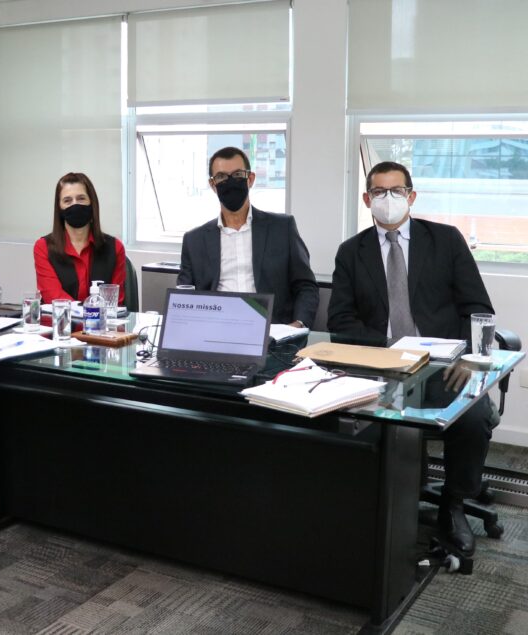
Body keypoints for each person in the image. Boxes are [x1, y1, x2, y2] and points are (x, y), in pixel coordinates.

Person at [327, 160, 495, 555]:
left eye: (397, 191)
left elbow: (477, 308)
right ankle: (371, 509)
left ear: (411, 196)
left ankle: (453, 505)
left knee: (472, 418)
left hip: (443, 366)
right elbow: (340, 320)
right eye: (380, 192)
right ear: (367, 200)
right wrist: (388, 348)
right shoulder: (351, 252)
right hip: (381, 369)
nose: (389, 199)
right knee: (345, 418)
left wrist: (468, 358)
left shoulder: (446, 241)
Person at [177, 146, 318, 327]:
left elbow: (306, 286)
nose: (230, 182)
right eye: (221, 177)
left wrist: (297, 325)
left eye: (237, 175)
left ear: (250, 179)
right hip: (215, 332)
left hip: (272, 334)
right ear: (213, 185)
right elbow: (183, 296)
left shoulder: (282, 228)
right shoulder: (194, 240)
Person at [33, 172, 126, 304]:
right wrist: (88, 311)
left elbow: (115, 302)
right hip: (61, 323)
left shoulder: (115, 248)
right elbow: (53, 296)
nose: (75, 205)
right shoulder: (43, 247)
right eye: (67, 200)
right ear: (59, 208)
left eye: (81, 198)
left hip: (101, 323)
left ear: (91, 203)